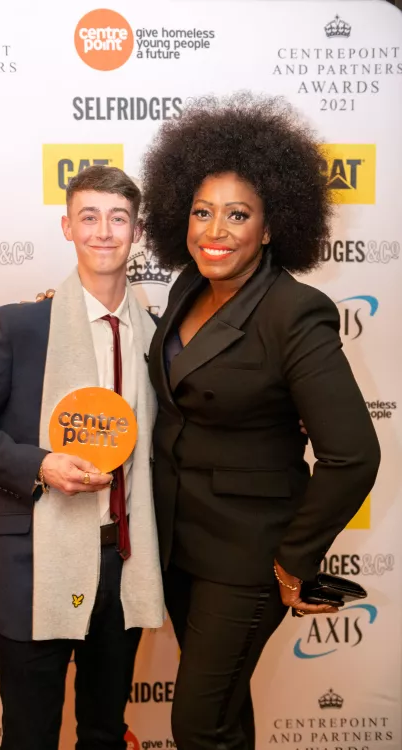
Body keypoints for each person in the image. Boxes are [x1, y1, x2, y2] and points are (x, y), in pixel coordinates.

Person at [139, 95, 381, 750]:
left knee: (196, 723)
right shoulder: (187, 286)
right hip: (180, 542)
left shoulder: (294, 313)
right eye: (201, 211)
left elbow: (353, 454)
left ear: (271, 228)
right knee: (221, 718)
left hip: (249, 557)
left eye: (238, 214)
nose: (214, 229)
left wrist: (294, 560)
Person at [0, 165, 165, 750]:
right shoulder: (21, 327)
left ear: (137, 231)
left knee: (107, 733)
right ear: (67, 226)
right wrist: (40, 465)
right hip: (32, 567)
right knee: (30, 735)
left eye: (118, 218)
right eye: (89, 217)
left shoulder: (159, 338)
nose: (104, 231)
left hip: (121, 566)